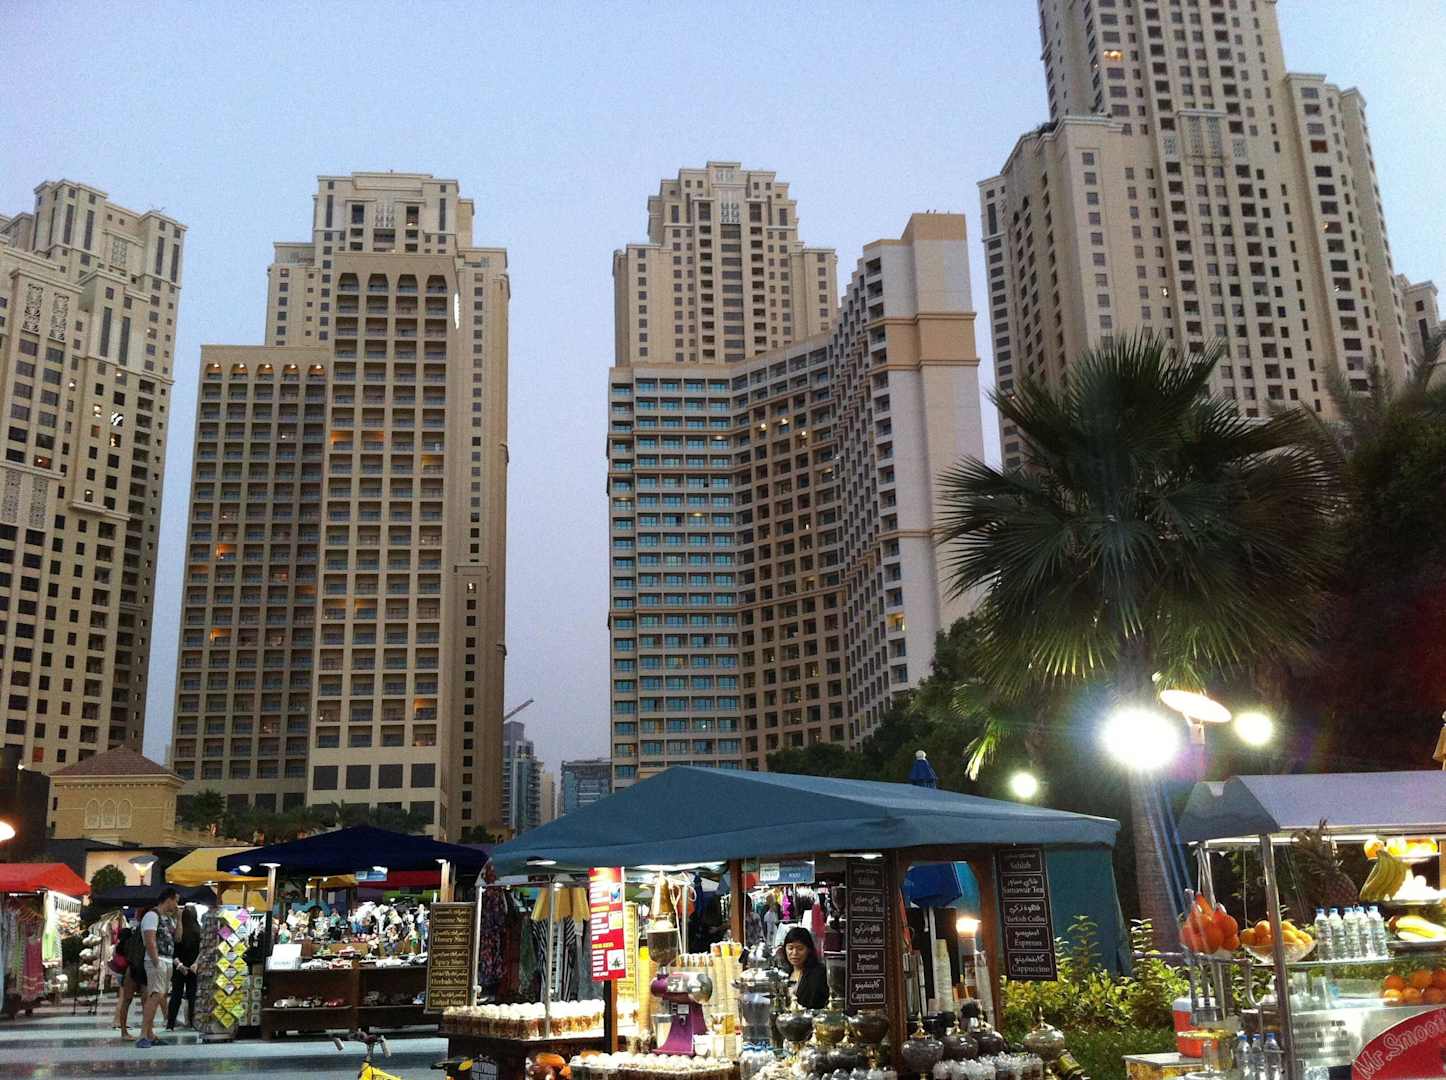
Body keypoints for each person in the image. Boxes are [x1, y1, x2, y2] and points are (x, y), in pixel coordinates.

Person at [137, 887, 180, 1048]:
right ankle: (143, 1035)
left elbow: (178, 937)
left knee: (159, 996)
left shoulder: (168, 918)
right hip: (157, 960)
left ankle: (150, 1034)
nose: (176, 905)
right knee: (155, 996)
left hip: (167, 960)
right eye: (176, 901)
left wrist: (179, 919)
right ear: (169, 899)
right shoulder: (152, 915)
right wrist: (156, 960)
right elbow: (150, 940)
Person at [166, 905, 201, 1030]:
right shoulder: (199, 930)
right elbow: (201, 950)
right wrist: (196, 963)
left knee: (176, 995)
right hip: (193, 968)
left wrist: (180, 965)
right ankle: (193, 1023)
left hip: (179, 967)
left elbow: (173, 951)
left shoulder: (177, 931)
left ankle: (170, 1024)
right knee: (193, 996)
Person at [113, 909, 145, 1040]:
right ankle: (144, 1030)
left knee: (126, 1000)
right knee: (143, 1000)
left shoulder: (123, 943)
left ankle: (124, 1030)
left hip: (128, 971)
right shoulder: (136, 937)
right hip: (134, 969)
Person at [780, 926, 828, 1009]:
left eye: (800, 948)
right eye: (790, 948)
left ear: (809, 950)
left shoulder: (818, 974)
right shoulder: (784, 973)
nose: (794, 953)